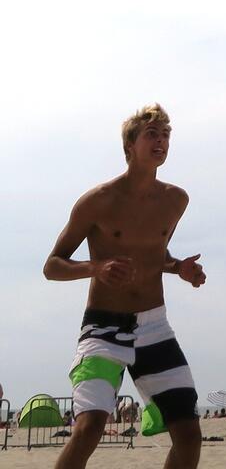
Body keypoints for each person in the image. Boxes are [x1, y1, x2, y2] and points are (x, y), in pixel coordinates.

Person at [43, 104, 206, 469]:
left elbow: (154, 256)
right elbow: (52, 265)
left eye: (166, 134)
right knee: (89, 428)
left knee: (189, 434)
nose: (161, 141)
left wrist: (178, 267)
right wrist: (96, 267)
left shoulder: (175, 200)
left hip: (155, 327)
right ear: (130, 144)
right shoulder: (98, 200)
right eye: (152, 134)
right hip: (103, 327)